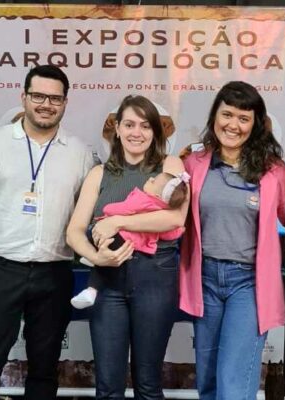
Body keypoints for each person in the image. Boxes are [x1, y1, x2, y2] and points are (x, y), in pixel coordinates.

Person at [0, 65, 94, 400]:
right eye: (38, 96)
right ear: (24, 97)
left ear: (65, 103)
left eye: (54, 98)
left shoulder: (80, 153)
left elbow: (87, 213)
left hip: (54, 273)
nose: (46, 104)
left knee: (45, 369)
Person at [66, 94, 188, 399]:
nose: (137, 132)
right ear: (117, 129)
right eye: (129, 124)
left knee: (148, 384)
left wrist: (118, 222)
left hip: (155, 277)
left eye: (146, 126)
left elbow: (175, 218)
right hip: (108, 282)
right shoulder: (99, 174)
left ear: (155, 132)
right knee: (108, 386)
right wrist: (97, 258)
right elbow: (74, 232)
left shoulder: (170, 166)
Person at [178, 81, 285, 400]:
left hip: (249, 283)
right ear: (215, 116)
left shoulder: (274, 171)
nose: (233, 125)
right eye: (227, 114)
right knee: (208, 380)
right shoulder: (194, 164)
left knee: (234, 383)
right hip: (205, 280)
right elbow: (172, 217)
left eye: (244, 118)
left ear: (256, 124)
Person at [71, 170, 189, 309]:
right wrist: (179, 231)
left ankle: (91, 290)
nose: (150, 178)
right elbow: (167, 234)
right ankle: (92, 283)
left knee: (95, 238)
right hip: (134, 248)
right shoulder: (161, 209)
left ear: (157, 195)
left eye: (154, 181)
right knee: (105, 264)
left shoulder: (143, 200)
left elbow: (121, 208)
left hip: (119, 239)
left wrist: (108, 210)